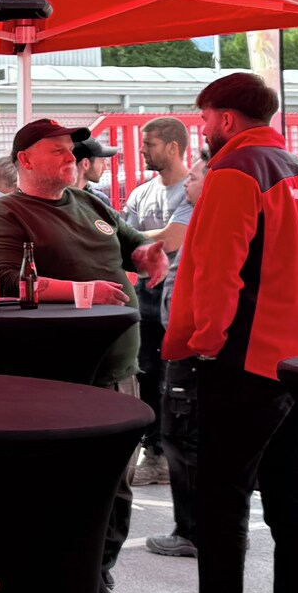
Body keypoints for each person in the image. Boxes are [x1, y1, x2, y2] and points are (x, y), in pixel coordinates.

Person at [152, 73, 298, 593]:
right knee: (292, 506)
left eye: (203, 118)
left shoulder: (236, 174)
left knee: (222, 501)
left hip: (244, 361)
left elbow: (215, 271)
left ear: (226, 120)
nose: (200, 130)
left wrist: (202, 346)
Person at [0, 119, 168, 593]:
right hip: (59, 375)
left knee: (119, 487)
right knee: (65, 488)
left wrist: (150, 255)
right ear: (26, 160)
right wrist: (82, 291)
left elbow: (134, 248)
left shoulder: (93, 205)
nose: (70, 156)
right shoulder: (7, 212)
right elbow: (3, 280)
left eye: (71, 150)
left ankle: (100, 586)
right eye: (56, 150)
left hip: (119, 365)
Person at [123, 118, 198, 511]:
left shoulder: (190, 192)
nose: (142, 150)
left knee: (175, 382)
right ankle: (154, 453)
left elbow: (172, 239)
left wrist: (133, 240)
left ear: (172, 147)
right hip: (144, 297)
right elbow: (121, 240)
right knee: (147, 373)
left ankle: (168, 458)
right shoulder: (141, 192)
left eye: (148, 143)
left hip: (179, 301)